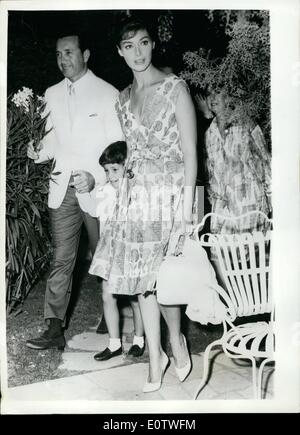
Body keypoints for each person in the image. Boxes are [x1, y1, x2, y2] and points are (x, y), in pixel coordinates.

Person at [89, 14, 198, 392]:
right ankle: (156, 359)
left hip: (169, 198)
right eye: (129, 46)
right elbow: (131, 154)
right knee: (141, 285)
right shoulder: (122, 99)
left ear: (153, 44)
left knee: (164, 281)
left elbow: (190, 153)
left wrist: (185, 213)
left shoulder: (175, 88)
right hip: (136, 200)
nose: (138, 52)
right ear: (120, 52)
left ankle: (176, 339)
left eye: (144, 43)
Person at [26, 32, 123, 351]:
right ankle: (54, 328)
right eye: (58, 54)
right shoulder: (50, 94)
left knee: (103, 256)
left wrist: (96, 178)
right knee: (62, 258)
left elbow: (119, 148)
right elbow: (50, 142)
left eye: (68, 52)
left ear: (86, 54)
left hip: (98, 191)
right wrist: (34, 149)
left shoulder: (107, 92)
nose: (62, 59)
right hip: (61, 188)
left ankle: (113, 317)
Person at [93, 141, 145, 361]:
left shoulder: (138, 191)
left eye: (115, 169)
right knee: (107, 295)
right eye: (107, 171)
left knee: (135, 297)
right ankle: (114, 344)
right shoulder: (104, 192)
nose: (111, 175)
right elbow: (102, 225)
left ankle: (139, 339)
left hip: (132, 249)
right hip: (110, 249)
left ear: (128, 167)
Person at [204, 86, 272, 234]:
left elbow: (266, 159)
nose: (212, 97)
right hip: (222, 214)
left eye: (217, 92)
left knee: (256, 255)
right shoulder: (209, 132)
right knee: (222, 256)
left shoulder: (246, 122)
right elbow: (211, 174)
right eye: (209, 93)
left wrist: (273, 200)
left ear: (228, 97)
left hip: (251, 207)